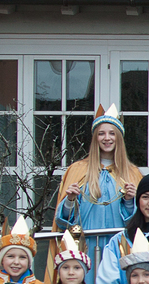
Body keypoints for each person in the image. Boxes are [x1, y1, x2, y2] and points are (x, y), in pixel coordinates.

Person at [51, 105, 140, 272]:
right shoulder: (77, 170)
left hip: (119, 247)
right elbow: (63, 221)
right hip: (86, 247)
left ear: (119, 137)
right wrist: (70, 200)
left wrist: (129, 201)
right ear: (95, 138)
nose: (107, 138)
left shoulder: (132, 173)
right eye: (101, 133)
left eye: (112, 133)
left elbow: (139, 221)